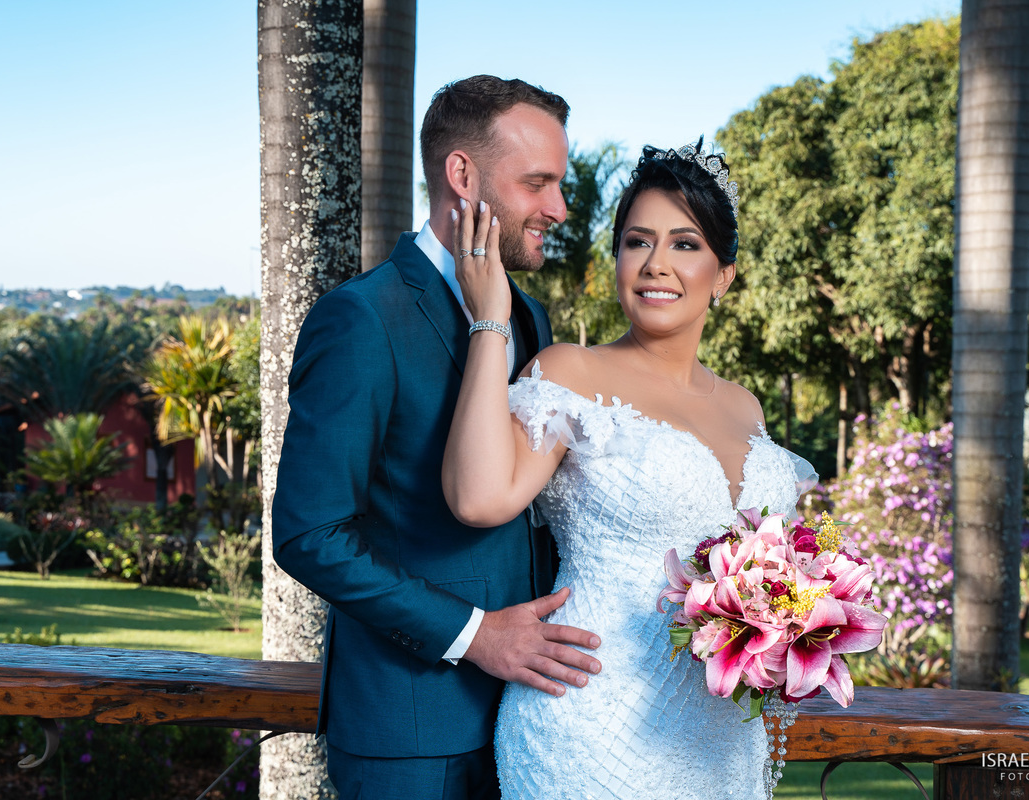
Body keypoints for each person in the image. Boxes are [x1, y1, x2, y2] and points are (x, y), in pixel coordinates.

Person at [442, 139, 816, 799]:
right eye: (637, 242)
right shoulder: (572, 372)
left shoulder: (744, 405)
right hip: (593, 727)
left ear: (723, 275)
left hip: (724, 738)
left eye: (684, 244)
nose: (655, 264)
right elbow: (479, 498)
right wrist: (489, 322)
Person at [272, 75, 601, 800]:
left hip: (539, 722)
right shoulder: (362, 319)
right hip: (411, 734)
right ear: (462, 175)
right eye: (537, 183)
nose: (558, 208)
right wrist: (476, 635)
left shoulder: (529, 318)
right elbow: (308, 533)